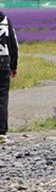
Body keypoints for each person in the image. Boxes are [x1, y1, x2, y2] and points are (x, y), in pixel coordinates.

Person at [0, 10, 19, 144]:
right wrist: (14, 66)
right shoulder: (6, 21)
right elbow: (13, 45)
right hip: (3, 65)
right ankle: (1, 132)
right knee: (2, 98)